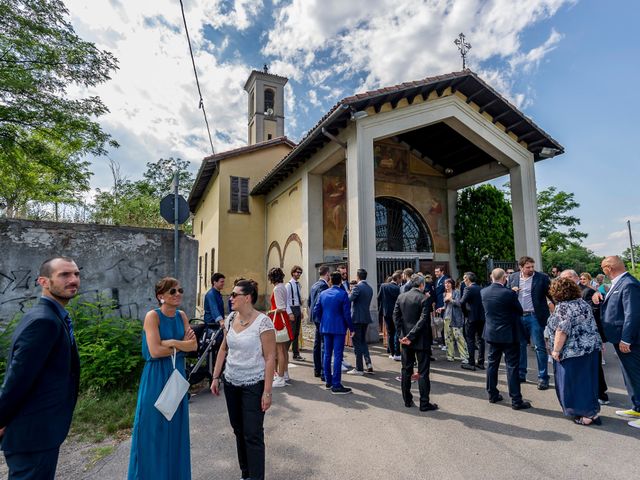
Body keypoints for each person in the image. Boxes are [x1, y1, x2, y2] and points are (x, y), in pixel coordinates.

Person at [0, 257, 81, 480]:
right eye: (64, 275)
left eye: (76, 274)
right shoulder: (43, 321)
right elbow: (18, 378)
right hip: (33, 431)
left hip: (39, 430)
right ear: (43, 282)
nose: (73, 280)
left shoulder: (52, 316)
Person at [128, 277, 197, 480]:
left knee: (175, 431)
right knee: (151, 430)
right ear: (161, 297)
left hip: (176, 376)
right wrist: (180, 345)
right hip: (156, 377)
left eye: (180, 290)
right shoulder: (153, 316)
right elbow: (155, 350)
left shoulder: (182, 316)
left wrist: (172, 342)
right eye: (172, 291)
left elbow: (193, 346)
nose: (178, 294)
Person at [211, 279, 275, 480]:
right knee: (238, 430)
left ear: (247, 298)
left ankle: (256, 477)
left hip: (253, 384)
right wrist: (215, 376)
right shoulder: (230, 319)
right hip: (231, 382)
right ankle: (246, 473)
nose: (230, 298)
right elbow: (223, 349)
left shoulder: (263, 322)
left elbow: (270, 357)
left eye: (234, 295)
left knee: (253, 434)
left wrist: (267, 391)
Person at [544, 277, 602, 425]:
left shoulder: (563, 307)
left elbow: (562, 330)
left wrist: (556, 350)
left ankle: (586, 414)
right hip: (590, 349)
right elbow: (592, 324)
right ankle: (592, 411)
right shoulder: (582, 303)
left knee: (573, 384)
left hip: (572, 352)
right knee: (588, 382)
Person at [596, 256, 640, 429]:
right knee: (629, 375)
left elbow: (633, 314)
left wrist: (626, 339)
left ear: (608, 268)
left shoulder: (629, 284)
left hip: (628, 340)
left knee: (636, 375)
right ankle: (636, 407)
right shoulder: (619, 282)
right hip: (617, 338)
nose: (603, 272)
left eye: (603, 268)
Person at [482, 268, 531, 410]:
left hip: (492, 333)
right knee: (512, 366)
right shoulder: (509, 293)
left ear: (492, 277)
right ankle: (516, 399)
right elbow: (519, 311)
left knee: (492, 364)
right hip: (509, 334)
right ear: (504, 278)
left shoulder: (483, 292)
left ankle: (492, 393)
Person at [562, 270, 609, 404]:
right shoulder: (568, 292)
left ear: (573, 277)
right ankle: (588, 392)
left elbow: (594, 313)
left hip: (589, 336)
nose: (562, 282)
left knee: (594, 366)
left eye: (565, 279)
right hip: (575, 337)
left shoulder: (588, 291)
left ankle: (601, 394)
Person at [393, 274, 438, 411]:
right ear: (422, 285)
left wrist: (402, 334)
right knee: (423, 372)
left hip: (406, 340)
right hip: (420, 340)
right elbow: (424, 320)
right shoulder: (424, 298)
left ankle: (407, 400)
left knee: (406, 370)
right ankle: (424, 403)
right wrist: (410, 336)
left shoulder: (401, 297)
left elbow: (396, 317)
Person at [507, 256, 552, 390]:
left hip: (535, 316)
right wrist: (511, 292)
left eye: (532, 266)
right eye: (528, 267)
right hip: (518, 316)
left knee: (539, 347)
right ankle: (521, 374)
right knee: (520, 346)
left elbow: (551, 294)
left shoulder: (541, 278)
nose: (531, 269)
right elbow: (506, 295)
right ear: (521, 267)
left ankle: (543, 377)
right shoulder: (513, 277)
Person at [313, 272, 354, 394]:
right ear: (341, 281)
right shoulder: (342, 294)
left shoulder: (323, 293)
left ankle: (328, 380)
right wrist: (351, 328)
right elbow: (347, 313)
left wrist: (322, 321)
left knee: (326, 354)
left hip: (326, 327)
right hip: (339, 328)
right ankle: (336, 384)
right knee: (337, 356)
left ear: (330, 280)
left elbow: (316, 310)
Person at [268, 267, 292, 387]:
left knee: (279, 350)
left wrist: (270, 312)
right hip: (283, 319)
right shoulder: (283, 287)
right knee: (284, 350)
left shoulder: (277, 289)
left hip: (278, 319)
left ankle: (281, 377)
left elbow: (281, 307)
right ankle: (285, 373)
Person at [347, 269, 374, 375]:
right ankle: (368, 364)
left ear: (358, 276)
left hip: (357, 318)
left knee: (356, 343)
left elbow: (349, 299)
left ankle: (359, 368)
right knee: (363, 341)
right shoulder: (369, 288)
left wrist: (349, 292)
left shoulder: (357, 287)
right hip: (366, 317)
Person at [437, 278, 469, 364]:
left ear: (452, 284)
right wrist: (441, 308)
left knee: (459, 337)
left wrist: (451, 300)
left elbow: (459, 304)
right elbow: (446, 306)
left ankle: (465, 356)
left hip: (456, 317)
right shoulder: (444, 294)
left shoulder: (457, 292)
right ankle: (450, 356)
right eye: (445, 283)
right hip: (447, 317)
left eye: (448, 283)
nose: (446, 285)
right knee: (448, 338)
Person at [460, 272, 485, 370]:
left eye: (464, 279)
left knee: (470, 339)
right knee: (480, 339)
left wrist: (465, 313)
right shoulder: (481, 288)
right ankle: (481, 362)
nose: (463, 281)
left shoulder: (468, 288)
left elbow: (462, 302)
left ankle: (471, 363)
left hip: (471, 317)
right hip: (481, 317)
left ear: (468, 279)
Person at [309, 266, 331, 379]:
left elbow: (309, 302)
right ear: (327, 274)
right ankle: (323, 371)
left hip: (315, 317)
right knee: (323, 344)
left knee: (317, 344)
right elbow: (320, 303)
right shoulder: (323, 286)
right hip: (321, 318)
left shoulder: (314, 285)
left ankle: (317, 369)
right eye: (329, 275)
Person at [378, 272, 401, 360]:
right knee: (397, 333)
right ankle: (397, 353)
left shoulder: (383, 286)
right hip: (396, 313)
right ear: (397, 279)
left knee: (390, 333)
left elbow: (378, 297)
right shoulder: (398, 288)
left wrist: (383, 307)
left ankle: (392, 353)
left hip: (386, 312)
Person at [285, 265, 305, 361]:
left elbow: (298, 300)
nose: (298, 274)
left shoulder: (298, 285)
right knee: (291, 333)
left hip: (297, 308)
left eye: (300, 272)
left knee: (296, 333)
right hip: (292, 309)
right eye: (297, 272)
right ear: (293, 273)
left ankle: (296, 354)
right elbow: (286, 301)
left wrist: (301, 311)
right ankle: (284, 352)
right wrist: (290, 313)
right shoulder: (288, 285)